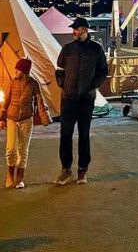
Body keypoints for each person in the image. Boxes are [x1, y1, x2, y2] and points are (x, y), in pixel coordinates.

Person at [54, 17, 109, 185]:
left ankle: (82, 169)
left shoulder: (96, 49)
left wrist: (93, 85)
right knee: (66, 134)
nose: (74, 32)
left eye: (76, 29)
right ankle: (66, 169)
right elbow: (59, 69)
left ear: (84, 30)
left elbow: (103, 71)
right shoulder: (68, 49)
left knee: (84, 135)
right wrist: (63, 85)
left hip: (86, 99)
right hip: (68, 98)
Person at [0, 58, 51, 189]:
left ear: (24, 71)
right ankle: (10, 175)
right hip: (11, 119)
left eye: (18, 69)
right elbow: (6, 101)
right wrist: (1, 118)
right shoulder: (12, 83)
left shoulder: (33, 84)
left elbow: (39, 100)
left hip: (26, 119)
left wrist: (44, 117)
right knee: (10, 149)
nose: (15, 71)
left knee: (23, 150)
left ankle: (20, 178)